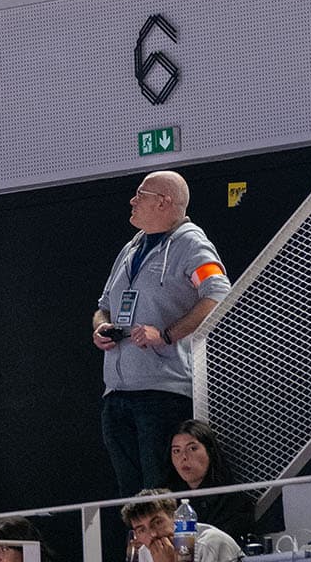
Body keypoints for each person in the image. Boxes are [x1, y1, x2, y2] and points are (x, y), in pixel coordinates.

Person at [95, 171, 231, 494]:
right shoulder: (132, 248)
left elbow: (218, 294)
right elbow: (103, 305)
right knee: (129, 499)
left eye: (140, 194)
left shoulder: (191, 243)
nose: (132, 200)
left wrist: (167, 335)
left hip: (161, 393)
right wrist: (100, 326)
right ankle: (137, 547)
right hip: (116, 394)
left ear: (164, 202)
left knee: (158, 493)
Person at [166, 419, 256, 547]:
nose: (183, 457)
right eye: (176, 451)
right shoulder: (167, 498)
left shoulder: (234, 501)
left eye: (192, 448)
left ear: (210, 451)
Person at [122, 494, 239, 562]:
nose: (152, 534)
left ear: (176, 519)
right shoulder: (145, 551)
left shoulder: (208, 544)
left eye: (157, 523)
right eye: (142, 530)